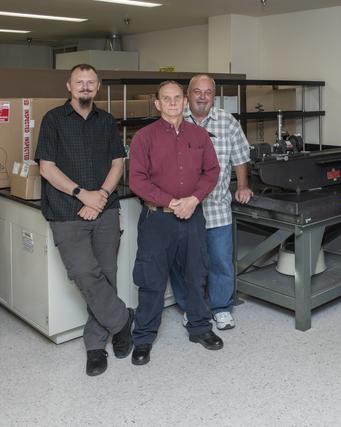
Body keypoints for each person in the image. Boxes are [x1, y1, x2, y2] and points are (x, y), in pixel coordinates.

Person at [35, 63, 133, 376]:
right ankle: (122, 321)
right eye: (80, 82)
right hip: (66, 211)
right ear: (69, 85)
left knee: (107, 274)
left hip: (105, 209)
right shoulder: (53, 119)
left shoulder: (106, 121)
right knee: (83, 273)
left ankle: (94, 345)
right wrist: (82, 194)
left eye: (91, 82)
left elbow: (117, 163)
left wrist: (100, 196)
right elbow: (47, 168)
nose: (85, 87)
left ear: (98, 86)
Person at [128, 80, 222, 366]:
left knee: (196, 274)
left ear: (184, 101)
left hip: (192, 216)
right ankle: (143, 338)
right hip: (157, 219)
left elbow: (212, 171)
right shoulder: (144, 137)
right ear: (157, 103)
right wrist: (171, 202)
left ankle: (200, 327)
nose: (172, 103)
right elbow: (137, 180)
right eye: (166, 98)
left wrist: (193, 199)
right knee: (151, 279)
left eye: (177, 97)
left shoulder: (199, 135)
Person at [169, 74, 252, 331]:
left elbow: (240, 156)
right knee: (184, 263)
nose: (202, 96)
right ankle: (191, 307)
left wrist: (243, 185)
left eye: (208, 92)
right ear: (188, 94)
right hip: (183, 208)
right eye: (197, 91)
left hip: (216, 206)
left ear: (214, 96)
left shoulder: (227, 122)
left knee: (220, 261)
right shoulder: (175, 119)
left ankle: (221, 308)